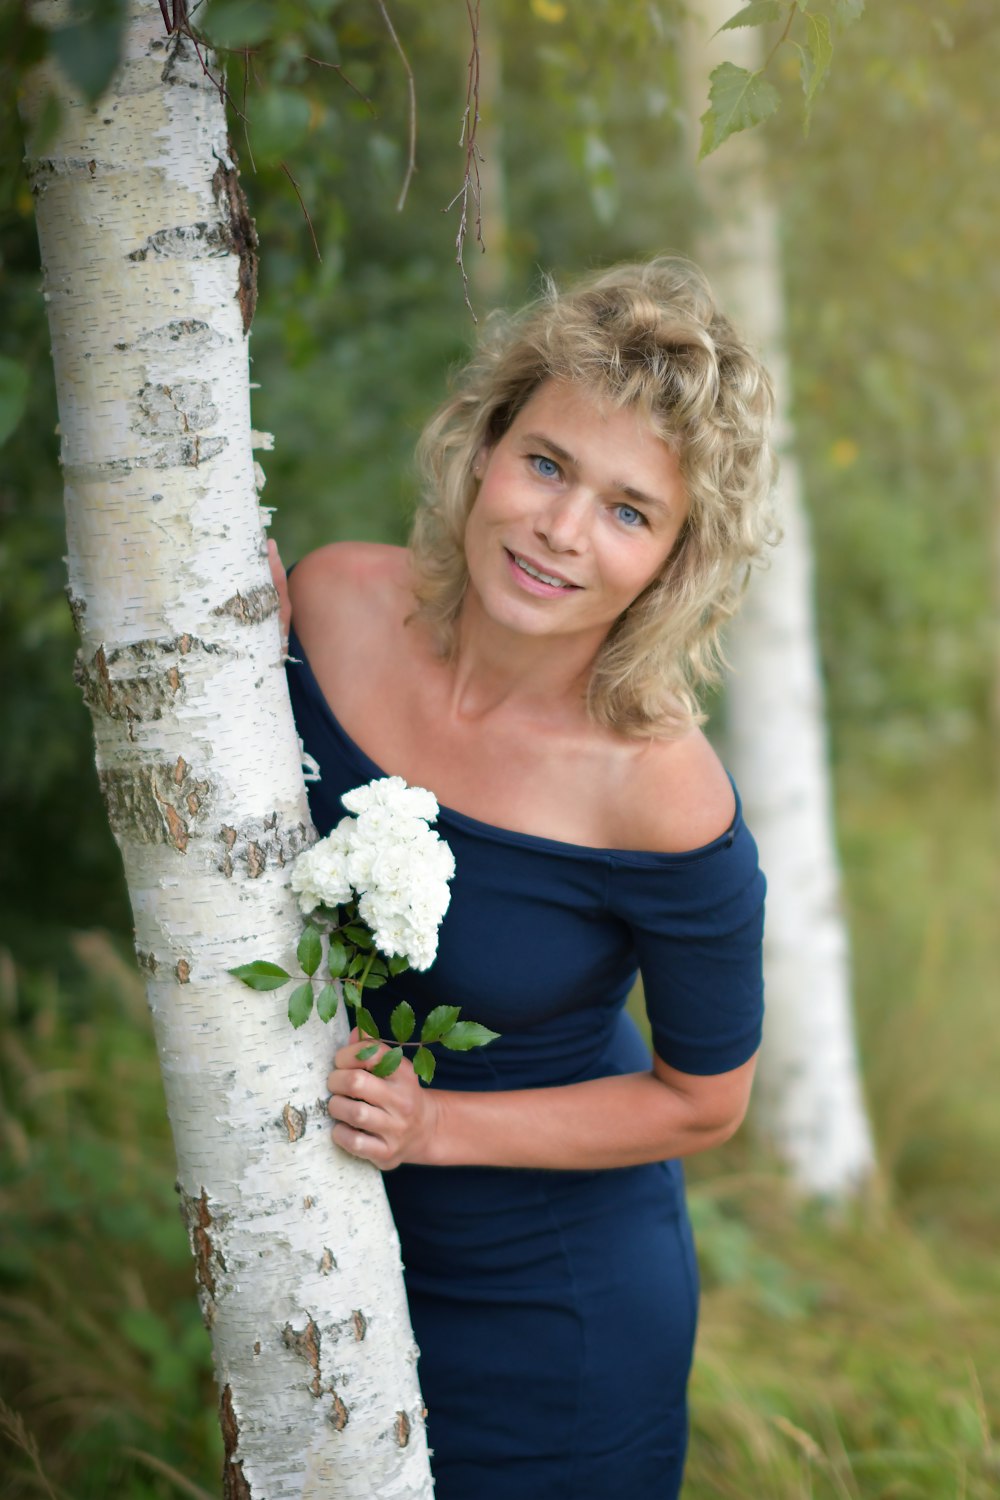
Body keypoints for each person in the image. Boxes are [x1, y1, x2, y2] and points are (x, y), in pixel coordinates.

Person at [269, 257, 776, 1499]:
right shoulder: (329, 607)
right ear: (484, 446)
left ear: (674, 559)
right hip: (309, 1256)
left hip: (550, 1312)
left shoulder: (655, 786)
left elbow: (703, 1103)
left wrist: (438, 1127)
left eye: (627, 510)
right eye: (545, 464)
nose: (558, 531)